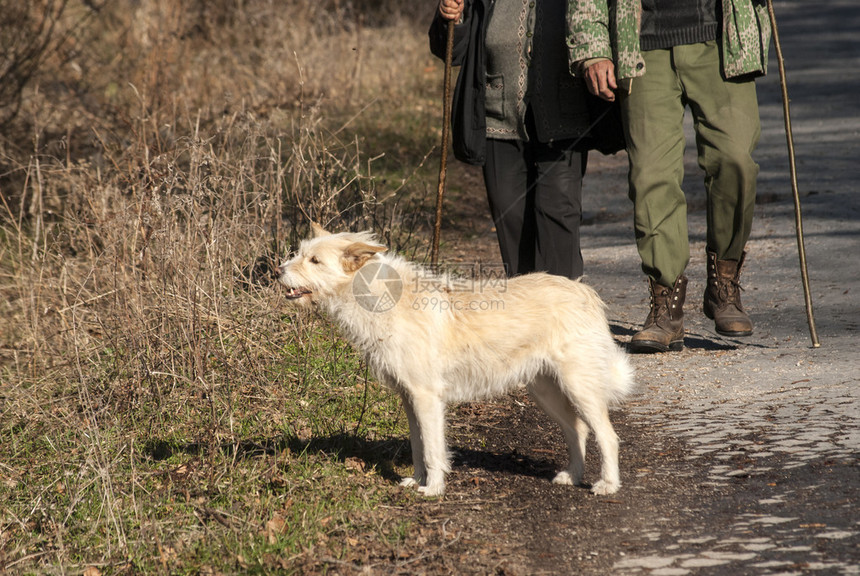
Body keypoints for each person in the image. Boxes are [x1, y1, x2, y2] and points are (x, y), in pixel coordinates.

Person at [568, 0, 771, 352]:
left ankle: (724, 280)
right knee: (650, 176)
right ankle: (666, 305)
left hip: (721, 38)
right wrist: (592, 47)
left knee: (735, 161)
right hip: (643, 44)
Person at [429, 0, 596, 280]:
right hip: (497, 116)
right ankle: (527, 311)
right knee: (511, 219)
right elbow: (451, 50)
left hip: (564, 115)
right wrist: (452, 17)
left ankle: (564, 313)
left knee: (558, 213)